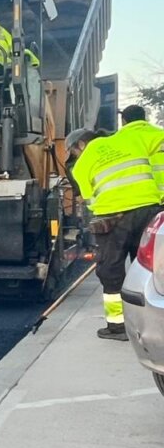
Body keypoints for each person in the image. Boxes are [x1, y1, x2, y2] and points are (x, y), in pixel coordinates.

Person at [68, 125, 164, 341]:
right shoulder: (129, 140)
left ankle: (117, 327)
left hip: (114, 216)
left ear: (81, 144)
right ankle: (155, 321)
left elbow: (88, 198)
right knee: (149, 265)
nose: (75, 155)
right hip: (149, 209)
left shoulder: (84, 160)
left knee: (110, 268)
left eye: (74, 151)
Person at [115, 104, 164, 192]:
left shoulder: (118, 141)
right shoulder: (161, 134)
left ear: (123, 121)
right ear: (143, 118)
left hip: (145, 197)